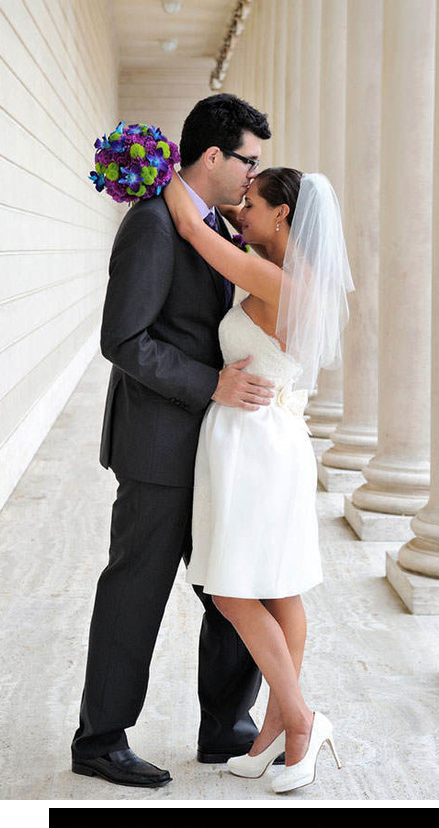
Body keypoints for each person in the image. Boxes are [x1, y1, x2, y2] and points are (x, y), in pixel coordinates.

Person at [71, 94, 274, 788]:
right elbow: (121, 338)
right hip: (158, 451)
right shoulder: (154, 225)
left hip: (216, 452)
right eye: (248, 158)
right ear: (212, 156)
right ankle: (99, 738)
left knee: (232, 586)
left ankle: (224, 725)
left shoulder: (213, 224)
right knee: (136, 591)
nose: (255, 171)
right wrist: (211, 384)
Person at [164, 165, 353, 792]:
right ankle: (274, 731)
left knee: (232, 588)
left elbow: (192, 226)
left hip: (257, 444)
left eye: (251, 202)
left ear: (283, 216)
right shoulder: (286, 278)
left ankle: (300, 720)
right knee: (276, 587)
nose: (240, 211)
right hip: (255, 438)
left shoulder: (275, 280)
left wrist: (152, 165)